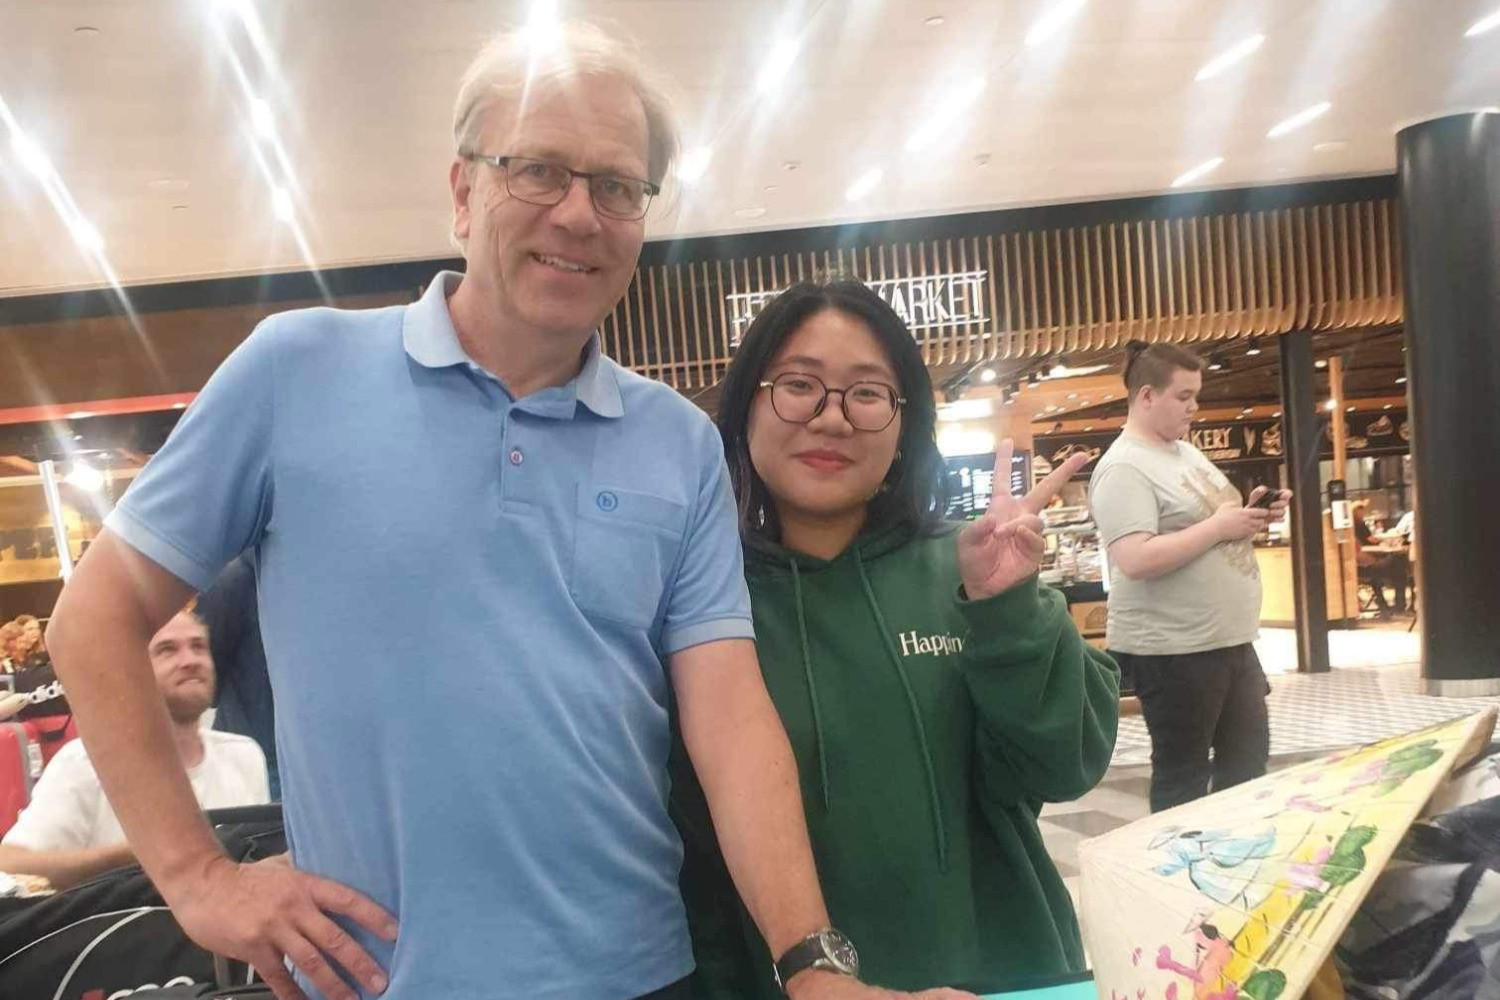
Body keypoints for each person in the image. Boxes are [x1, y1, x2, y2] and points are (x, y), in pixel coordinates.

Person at [43, 22, 969, 1000]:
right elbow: (94, 621)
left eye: (617, 186)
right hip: (375, 979)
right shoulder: (294, 374)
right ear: (461, 191)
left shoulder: (678, 444)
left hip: (640, 976)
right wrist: (196, 878)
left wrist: (811, 963)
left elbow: (730, 720)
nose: (579, 214)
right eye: (537, 170)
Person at [674, 280, 1120, 996]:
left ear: (905, 422)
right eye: (798, 385)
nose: (831, 419)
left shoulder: (970, 565)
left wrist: (1008, 611)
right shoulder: (702, 603)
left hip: (996, 973)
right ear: (746, 408)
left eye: (867, 393)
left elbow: (1066, 764)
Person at [1087, 341, 1291, 814]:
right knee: (1184, 777)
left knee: (1247, 765)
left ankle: (1233, 864)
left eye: (1196, 395)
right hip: (1175, 650)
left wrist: (1248, 514)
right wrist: (1219, 526)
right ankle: (1176, 876)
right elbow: (1134, 559)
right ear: (1145, 397)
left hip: (1228, 641)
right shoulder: (1123, 468)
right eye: (1183, 396)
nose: (1194, 407)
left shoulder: (1185, 454)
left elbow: (1207, 527)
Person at [0, 610, 268, 890]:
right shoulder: (85, 763)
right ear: (129, 670)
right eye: (167, 650)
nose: (190, 660)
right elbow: (11, 864)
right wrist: (127, 858)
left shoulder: (244, 757)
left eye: (198, 646)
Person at [196, 551, 279, 798]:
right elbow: (210, 673)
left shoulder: (235, 579)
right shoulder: (235, 581)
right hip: (254, 755)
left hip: (292, 756)